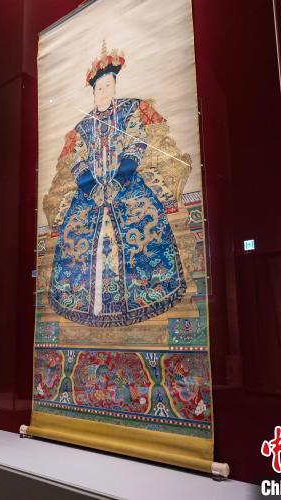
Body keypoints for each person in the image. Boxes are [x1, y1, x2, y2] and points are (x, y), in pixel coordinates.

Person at [44, 42, 189, 328]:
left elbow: (136, 144)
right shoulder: (83, 127)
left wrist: (119, 181)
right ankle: (84, 304)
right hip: (91, 193)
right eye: (99, 88)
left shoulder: (129, 112)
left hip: (126, 185)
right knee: (75, 233)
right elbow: (77, 160)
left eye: (108, 86)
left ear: (114, 87)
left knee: (145, 218)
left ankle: (145, 296)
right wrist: (91, 187)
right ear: (93, 91)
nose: (104, 92)